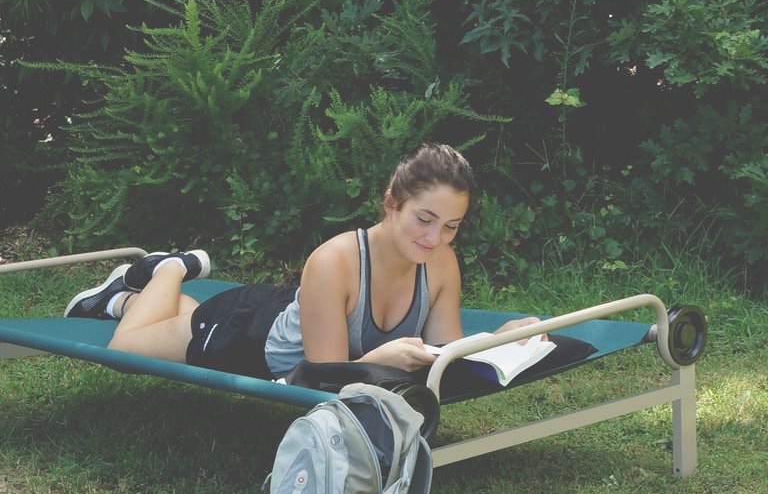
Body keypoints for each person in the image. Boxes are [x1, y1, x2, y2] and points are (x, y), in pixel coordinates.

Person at [63, 142, 542, 379]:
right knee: (124, 350)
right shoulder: (335, 260)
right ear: (391, 202)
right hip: (245, 334)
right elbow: (318, 377)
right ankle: (167, 270)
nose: (436, 238)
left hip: (295, 313)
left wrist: (497, 342)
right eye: (425, 219)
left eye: (452, 226)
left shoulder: (440, 263)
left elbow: (443, 351)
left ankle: (144, 297)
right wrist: (380, 359)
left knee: (176, 321)